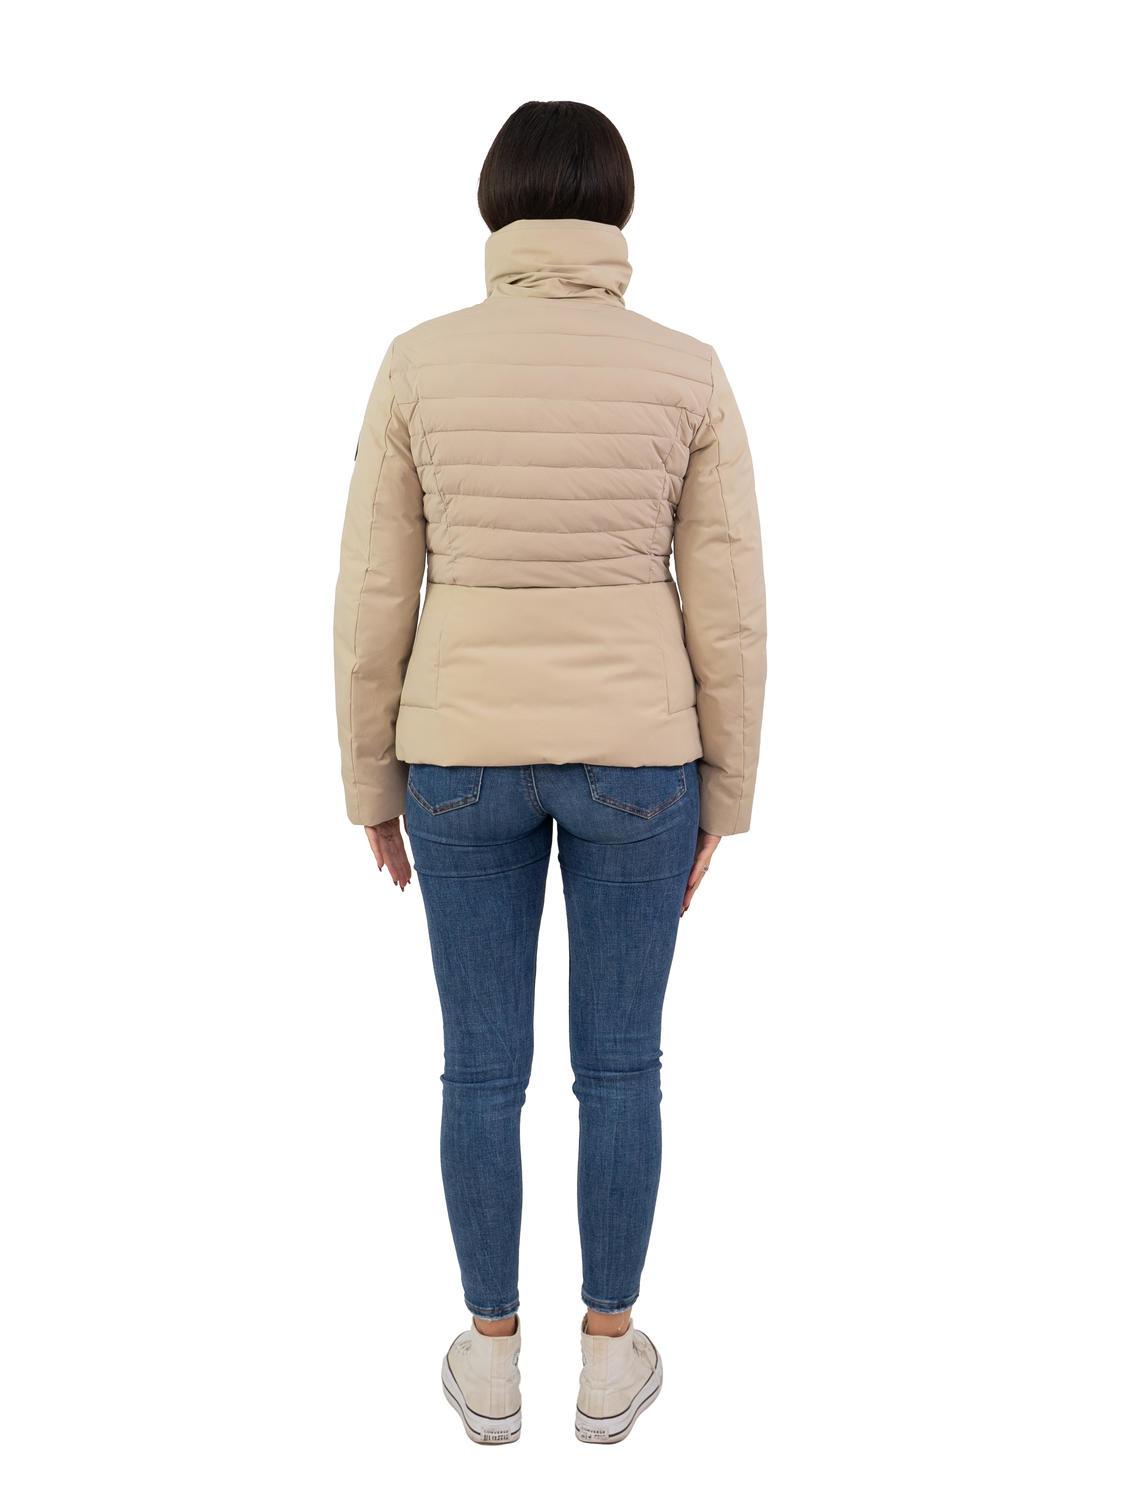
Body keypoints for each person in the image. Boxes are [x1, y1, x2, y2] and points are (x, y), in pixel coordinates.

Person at [333, 99, 766, 1445]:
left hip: (458, 760)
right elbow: (729, 604)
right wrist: (727, 791)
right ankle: (609, 1357)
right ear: (616, 210)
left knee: (480, 1071)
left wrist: (369, 781)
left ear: (495, 208)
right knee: (620, 1068)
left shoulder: (418, 365)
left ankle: (489, 1357)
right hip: (641, 760)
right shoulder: (686, 371)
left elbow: (372, 591)